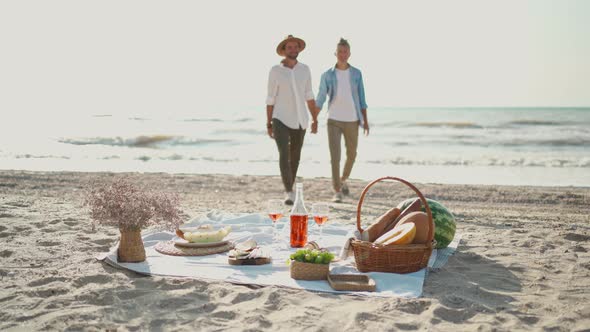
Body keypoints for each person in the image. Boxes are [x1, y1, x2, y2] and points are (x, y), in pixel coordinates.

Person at [266, 35, 319, 205]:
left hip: (300, 120)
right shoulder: (275, 71)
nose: (293, 50)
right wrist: (269, 122)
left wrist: (314, 118)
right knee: (284, 153)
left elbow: (309, 95)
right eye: (289, 47)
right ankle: (289, 191)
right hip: (280, 118)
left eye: (295, 47)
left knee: (295, 156)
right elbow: (270, 98)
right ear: (284, 50)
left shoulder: (305, 69)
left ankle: (291, 186)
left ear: (298, 49)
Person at [316, 38, 369, 203]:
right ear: (335, 53)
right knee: (335, 156)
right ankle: (337, 190)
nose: (342, 54)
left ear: (349, 53)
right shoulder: (327, 75)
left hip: (353, 119)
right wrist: (313, 117)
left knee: (352, 154)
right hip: (333, 120)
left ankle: (343, 179)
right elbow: (320, 98)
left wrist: (365, 120)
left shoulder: (356, 73)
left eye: (345, 51)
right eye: (340, 51)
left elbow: (362, 98)